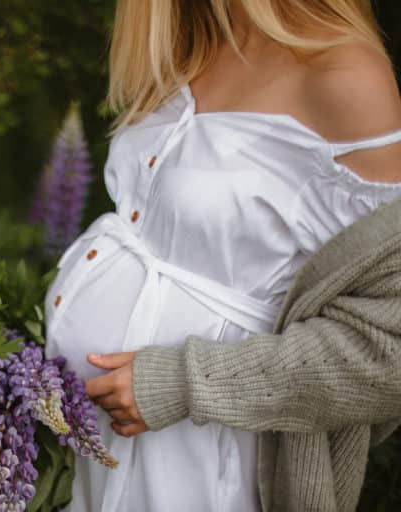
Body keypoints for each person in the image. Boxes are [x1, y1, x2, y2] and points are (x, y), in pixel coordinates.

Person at [43, 0, 401, 510]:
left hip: (214, 465)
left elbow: (390, 352)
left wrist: (185, 383)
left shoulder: (344, 76)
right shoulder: (187, 49)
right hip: (104, 455)